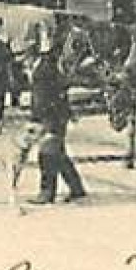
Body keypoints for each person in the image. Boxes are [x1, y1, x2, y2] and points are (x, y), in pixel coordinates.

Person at [29, 49, 86, 204]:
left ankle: (47, 192)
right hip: (55, 115)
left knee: (47, 155)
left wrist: (38, 117)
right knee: (58, 154)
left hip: (49, 116)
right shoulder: (48, 66)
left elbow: (45, 96)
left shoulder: (44, 68)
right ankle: (76, 187)